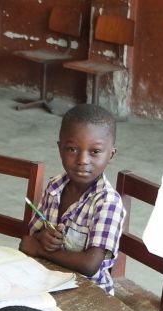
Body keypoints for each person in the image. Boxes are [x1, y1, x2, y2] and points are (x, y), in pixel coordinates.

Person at [18, 103, 126, 295]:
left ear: (111, 155)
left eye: (95, 152)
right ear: (60, 149)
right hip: (48, 280)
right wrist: (44, 238)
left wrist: (43, 250)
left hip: (89, 294)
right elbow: (31, 238)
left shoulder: (107, 203)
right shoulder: (54, 186)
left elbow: (90, 264)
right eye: (72, 149)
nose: (82, 160)